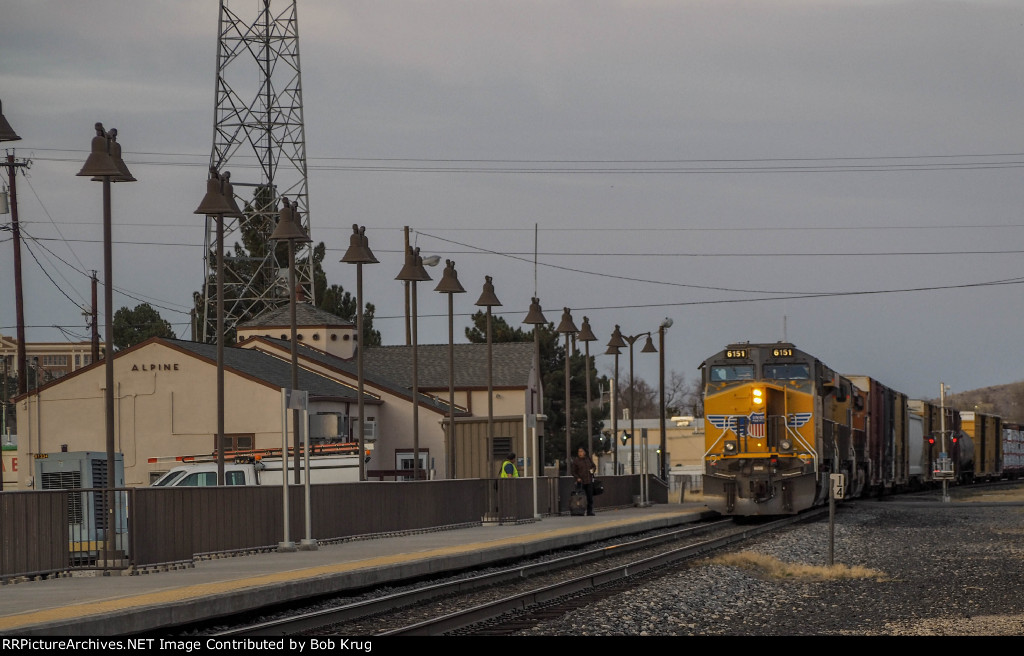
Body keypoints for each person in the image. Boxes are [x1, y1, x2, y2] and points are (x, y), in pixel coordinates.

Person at [571, 447, 597, 516]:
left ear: (584, 452)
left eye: (581, 451)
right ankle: (579, 510)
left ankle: (590, 511)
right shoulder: (576, 461)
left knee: (590, 497)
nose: (580, 453)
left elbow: (594, 466)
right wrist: (577, 478)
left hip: (589, 481)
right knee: (580, 497)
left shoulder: (588, 459)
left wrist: (592, 471)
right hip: (581, 482)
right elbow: (573, 471)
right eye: (579, 451)